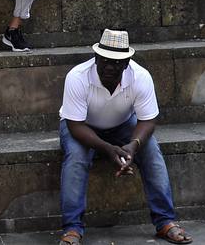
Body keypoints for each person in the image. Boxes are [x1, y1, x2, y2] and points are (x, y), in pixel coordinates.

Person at [57, 29, 189, 245]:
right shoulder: (77, 76)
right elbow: (75, 125)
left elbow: (147, 120)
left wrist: (133, 146)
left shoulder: (140, 77)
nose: (110, 66)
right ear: (96, 58)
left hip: (123, 124)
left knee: (151, 150)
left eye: (117, 62)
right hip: (81, 125)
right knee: (76, 158)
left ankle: (165, 221)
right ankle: (72, 229)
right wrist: (108, 149)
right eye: (105, 60)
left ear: (127, 62)